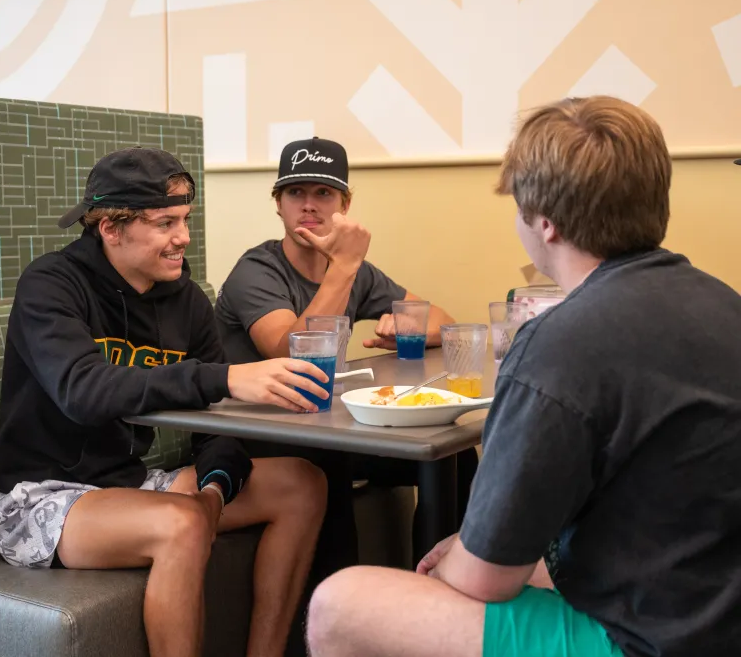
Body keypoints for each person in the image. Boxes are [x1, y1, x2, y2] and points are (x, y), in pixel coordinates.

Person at [305, 96, 741, 657]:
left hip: (652, 640)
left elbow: (484, 582)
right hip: (710, 601)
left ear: (546, 224)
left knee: (342, 604)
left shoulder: (560, 344)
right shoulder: (722, 304)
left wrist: (460, 560)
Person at [0, 147, 329, 657]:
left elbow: (216, 425)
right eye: (166, 223)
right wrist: (226, 377)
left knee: (302, 483)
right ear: (111, 228)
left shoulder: (185, 300)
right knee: (181, 521)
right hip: (37, 496)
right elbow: (83, 390)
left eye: (184, 220)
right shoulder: (51, 285)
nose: (183, 239)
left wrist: (214, 491)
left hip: (126, 482)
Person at [214, 135, 466, 577]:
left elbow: (443, 320)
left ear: (345, 204)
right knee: (324, 463)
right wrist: (344, 266)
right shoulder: (256, 270)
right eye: (295, 193)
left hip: (321, 424)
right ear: (278, 203)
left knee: (453, 452)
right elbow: (293, 352)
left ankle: (445, 586)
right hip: (257, 434)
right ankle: (333, 627)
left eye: (323, 193)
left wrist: (406, 327)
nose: (308, 205)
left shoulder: (359, 274)